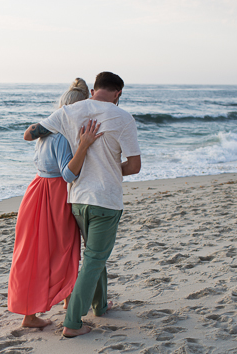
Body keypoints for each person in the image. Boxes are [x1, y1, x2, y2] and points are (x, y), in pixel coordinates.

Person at [30, 71, 141, 338]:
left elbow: (33, 132)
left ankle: (100, 306)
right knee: (94, 259)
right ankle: (72, 323)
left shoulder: (70, 111)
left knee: (95, 254)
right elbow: (134, 166)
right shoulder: (123, 117)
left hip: (77, 200)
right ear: (118, 94)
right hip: (105, 200)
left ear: (94, 91)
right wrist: (111, 169)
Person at [8, 78, 104, 328]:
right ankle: (31, 315)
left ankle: (64, 297)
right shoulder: (62, 136)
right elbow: (68, 174)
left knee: (35, 249)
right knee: (58, 250)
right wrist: (83, 146)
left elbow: (28, 135)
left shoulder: (45, 131)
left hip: (36, 192)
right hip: (54, 196)